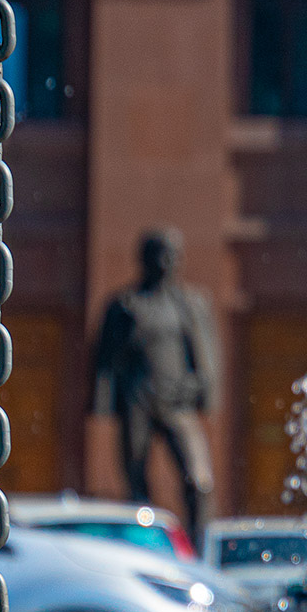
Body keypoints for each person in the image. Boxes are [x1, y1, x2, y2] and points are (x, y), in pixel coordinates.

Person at [90, 229, 219, 538]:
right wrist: (103, 402)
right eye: (160, 253)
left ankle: (197, 547)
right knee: (135, 480)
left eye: (172, 254)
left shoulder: (190, 304)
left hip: (178, 401)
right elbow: (105, 358)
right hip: (138, 399)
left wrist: (202, 388)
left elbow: (206, 352)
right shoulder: (125, 304)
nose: (167, 261)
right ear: (144, 259)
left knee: (199, 482)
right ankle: (145, 542)